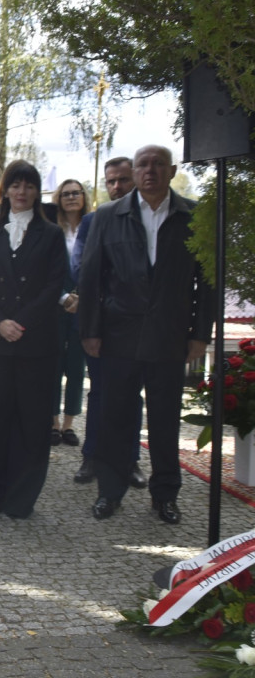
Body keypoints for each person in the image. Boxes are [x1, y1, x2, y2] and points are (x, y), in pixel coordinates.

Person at [79, 144, 214, 524]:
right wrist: (90, 330)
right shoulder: (108, 216)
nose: (150, 170)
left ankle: (165, 495)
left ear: (172, 172)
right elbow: (90, 278)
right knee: (114, 418)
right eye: (143, 165)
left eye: (158, 164)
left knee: (166, 420)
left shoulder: (195, 216)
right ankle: (110, 491)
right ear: (134, 172)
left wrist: (200, 334)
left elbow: (207, 282)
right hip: (118, 336)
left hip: (170, 337)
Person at [0, 161, 67, 519]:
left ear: (37, 191)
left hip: (35, 343)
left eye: (29, 186)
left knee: (30, 421)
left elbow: (54, 285)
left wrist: (19, 323)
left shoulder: (52, 234)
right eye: (16, 185)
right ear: (5, 190)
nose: (22, 192)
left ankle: (21, 498)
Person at [70, 157, 146, 488]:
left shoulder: (150, 220)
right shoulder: (93, 221)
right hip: (101, 323)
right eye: (111, 181)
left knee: (133, 395)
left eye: (123, 180)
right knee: (100, 392)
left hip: (141, 325)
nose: (117, 187)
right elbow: (81, 269)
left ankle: (130, 460)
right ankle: (93, 456)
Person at [50, 179, 89, 447]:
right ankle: (52, 422)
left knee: (77, 367)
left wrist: (84, 298)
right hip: (55, 306)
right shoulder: (52, 230)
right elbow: (46, 270)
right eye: (66, 194)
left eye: (76, 193)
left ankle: (69, 424)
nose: (71, 198)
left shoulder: (94, 227)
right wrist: (63, 296)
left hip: (85, 308)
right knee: (53, 365)